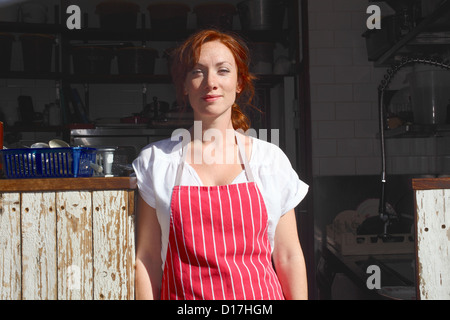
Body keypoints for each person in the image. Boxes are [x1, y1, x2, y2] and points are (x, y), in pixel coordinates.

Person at [133, 29, 309, 300]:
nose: (210, 82)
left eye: (223, 70)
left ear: (239, 83)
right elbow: (147, 259)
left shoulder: (270, 161)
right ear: (184, 84)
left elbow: (287, 256)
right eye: (197, 71)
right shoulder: (156, 162)